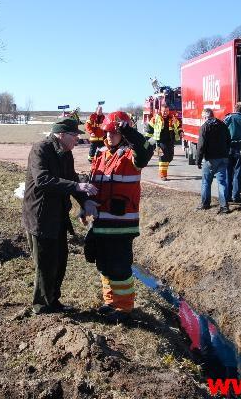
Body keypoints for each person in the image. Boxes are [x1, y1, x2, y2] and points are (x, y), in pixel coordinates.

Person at [81, 110, 154, 324]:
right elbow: (94, 186)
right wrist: (84, 207)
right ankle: (111, 301)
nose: (109, 136)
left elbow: (146, 148)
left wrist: (129, 130)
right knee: (103, 265)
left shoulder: (132, 156)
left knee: (120, 268)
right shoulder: (101, 155)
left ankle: (124, 308)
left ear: (123, 133)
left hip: (122, 225)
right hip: (101, 223)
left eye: (114, 132)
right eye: (107, 133)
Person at [22, 117, 98, 315]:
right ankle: (42, 306)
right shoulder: (41, 149)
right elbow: (42, 180)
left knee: (60, 260)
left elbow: (71, 178)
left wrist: (85, 201)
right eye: (74, 136)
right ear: (61, 134)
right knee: (46, 264)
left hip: (58, 216)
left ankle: (53, 301)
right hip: (40, 216)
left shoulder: (66, 153)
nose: (77, 140)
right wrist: (75, 186)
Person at [196, 108, 231, 213]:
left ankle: (205, 204)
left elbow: (201, 146)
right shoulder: (223, 125)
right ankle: (224, 206)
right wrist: (225, 152)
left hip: (210, 159)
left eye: (203, 117)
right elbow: (229, 140)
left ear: (206, 117)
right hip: (223, 158)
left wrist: (198, 160)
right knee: (222, 182)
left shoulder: (205, 127)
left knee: (206, 182)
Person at [223, 102, 241, 204]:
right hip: (240, 148)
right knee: (238, 172)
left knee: (228, 172)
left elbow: (222, 128)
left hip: (229, 148)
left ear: (235, 108)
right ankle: (236, 196)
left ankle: (227, 196)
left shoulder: (229, 118)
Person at [150, 105, 181, 180]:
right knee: (163, 158)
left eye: (167, 111)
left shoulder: (172, 118)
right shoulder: (155, 119)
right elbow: (149, 130)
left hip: (170, 141)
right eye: (164, 111)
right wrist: (146, 143)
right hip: (160, 142)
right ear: (161, 110)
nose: (165, 112)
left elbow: (179, 126)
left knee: (170, 157)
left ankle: (164, 170)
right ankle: (163, 175)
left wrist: (181, 132)